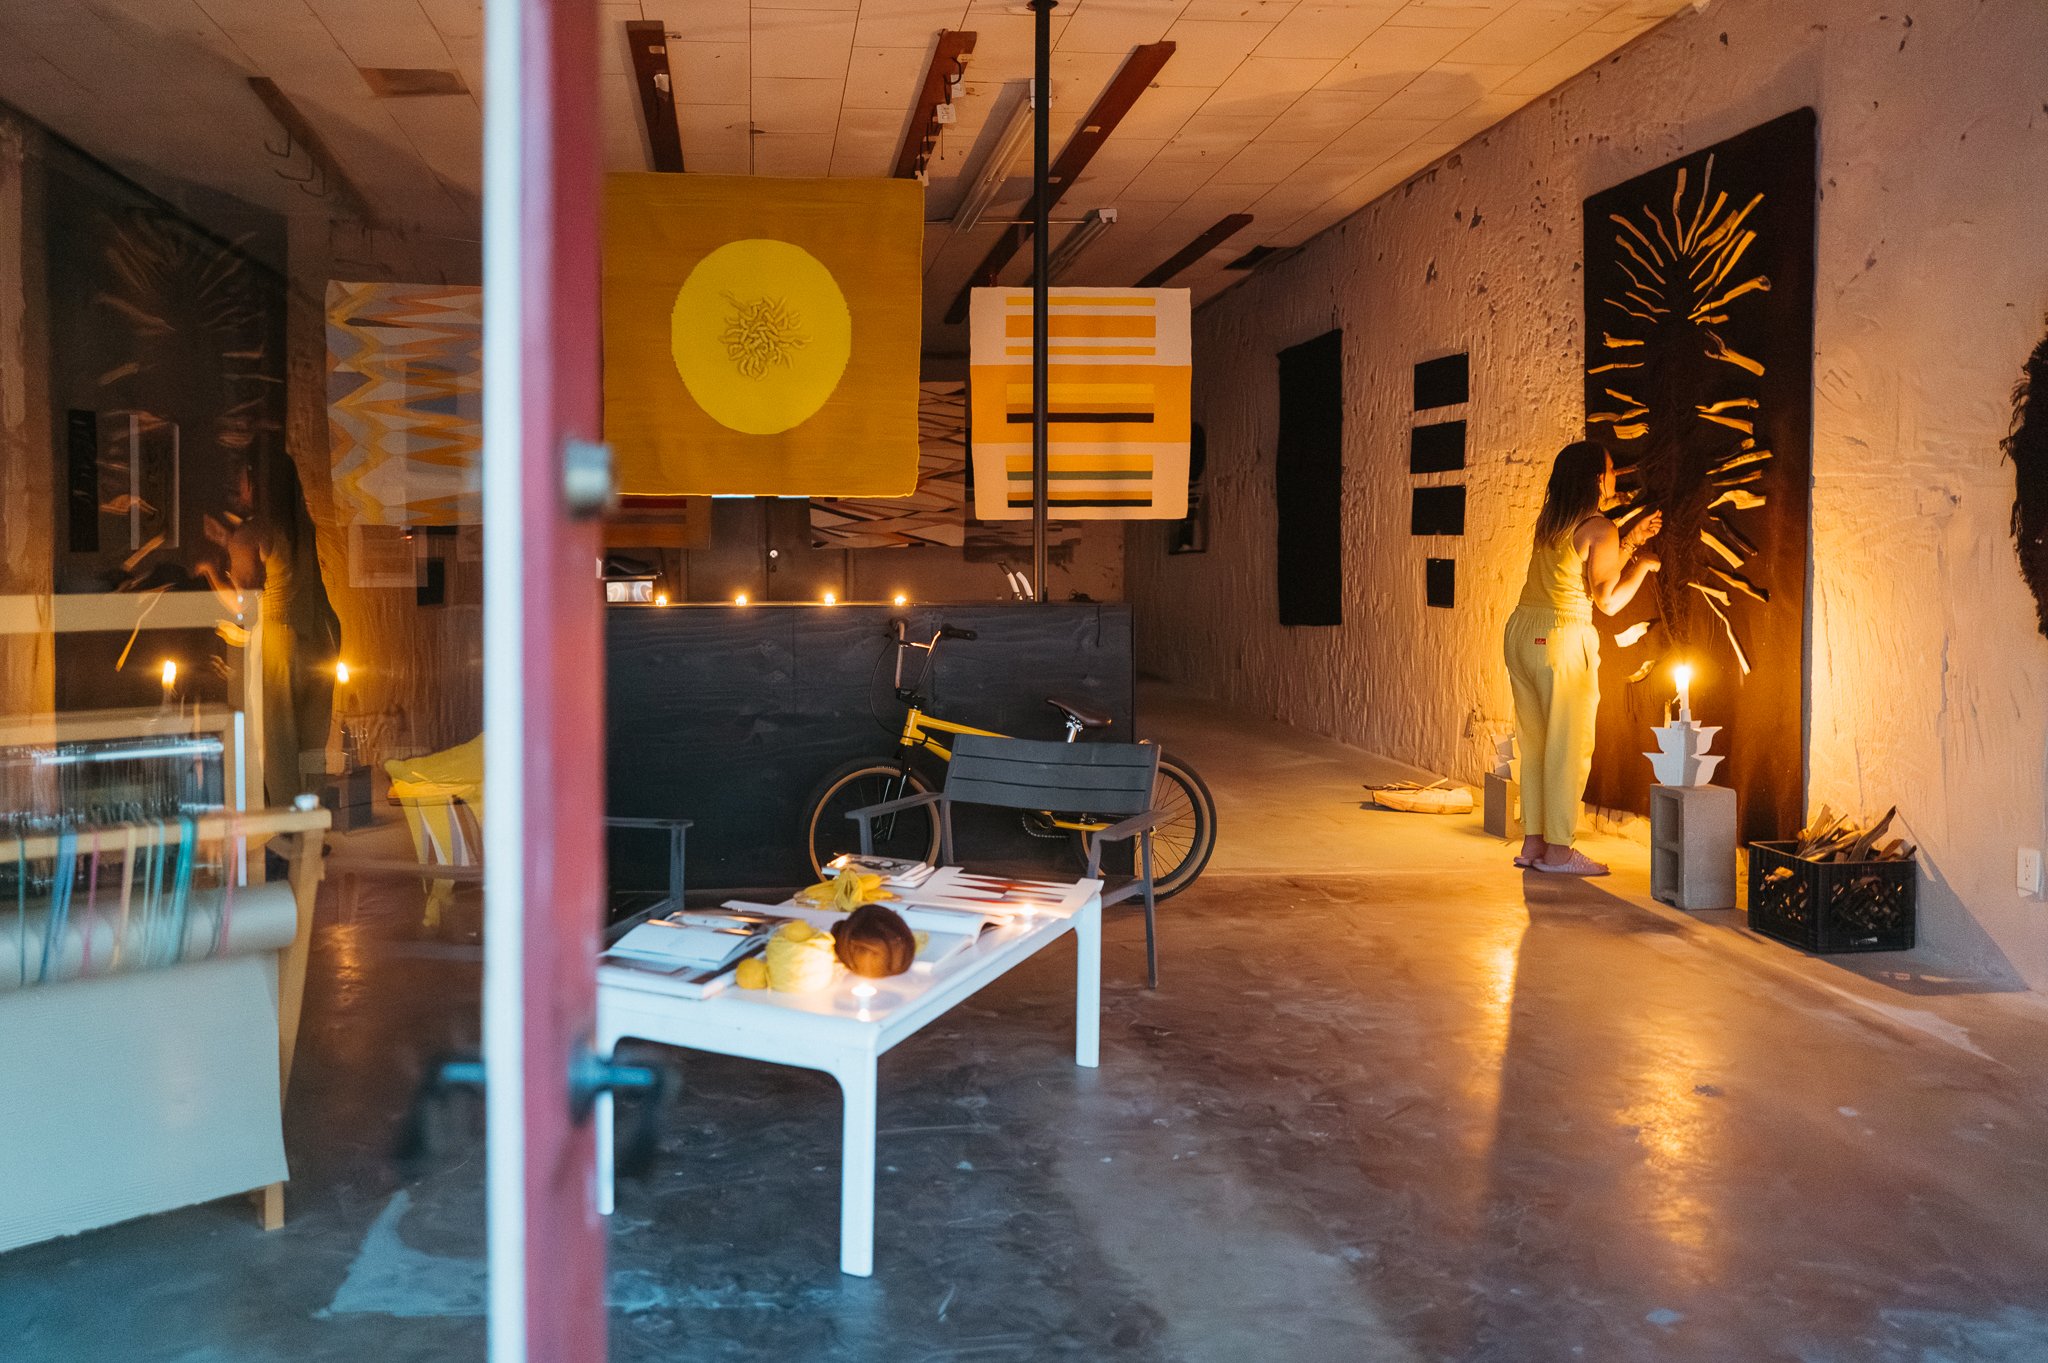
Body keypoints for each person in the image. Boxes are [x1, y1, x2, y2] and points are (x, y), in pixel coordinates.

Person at [1504, 441, 1661, 876]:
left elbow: (1580, 566)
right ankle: (1558, 852)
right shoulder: (1599, 527)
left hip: (1521, 632)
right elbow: (1608, 600)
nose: (1616, 477)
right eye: (1611, 470)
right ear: (1597, 479)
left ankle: (1533, 843)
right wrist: (1644, 567)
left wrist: (1630, 541)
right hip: (1561, 638)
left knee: (1534, 743)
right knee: (1568, 746)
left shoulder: (1551, 521)